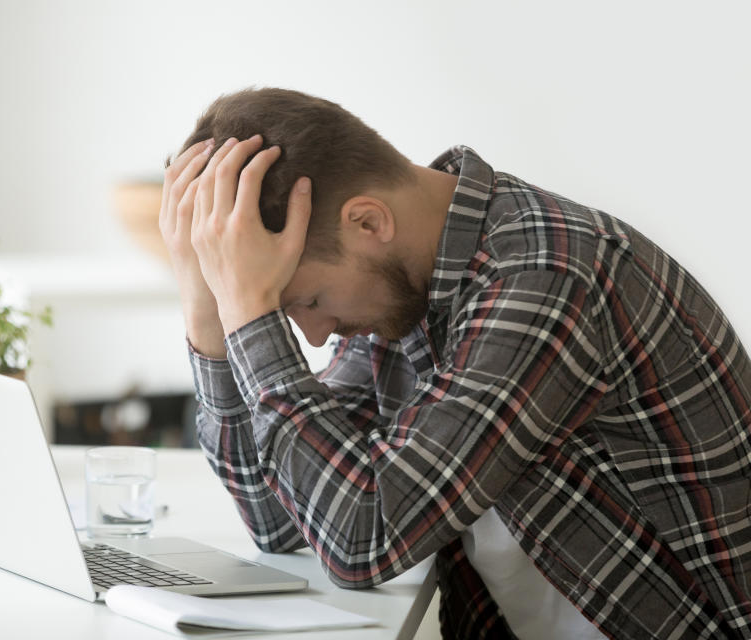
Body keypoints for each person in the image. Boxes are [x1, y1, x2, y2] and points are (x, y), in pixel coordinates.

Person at [157, 87, 751, 639]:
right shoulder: (401, 287)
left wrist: (250, 313)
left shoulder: (547, 275)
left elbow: (361, 539)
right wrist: (208, 313)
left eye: (308, 301)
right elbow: (286, 522)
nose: (314, 337)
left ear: (368, 222)